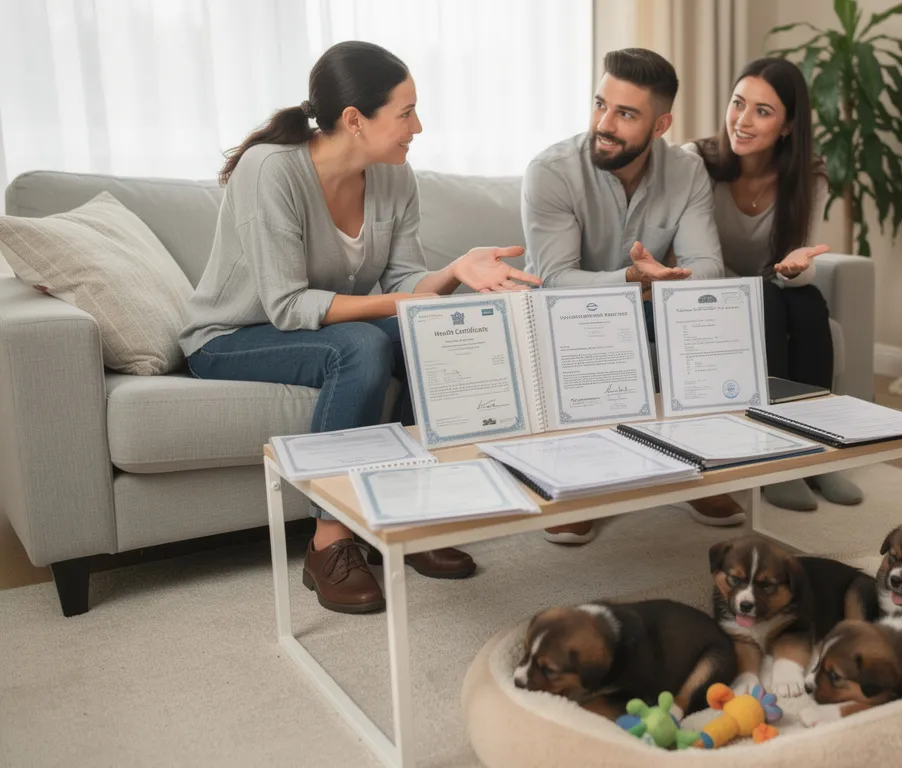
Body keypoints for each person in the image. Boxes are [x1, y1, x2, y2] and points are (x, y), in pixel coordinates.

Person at [179, 41, 541, 614]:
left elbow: (404, 283)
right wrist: (401, 306)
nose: (417, 126)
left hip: (309, 325)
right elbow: (287, 307)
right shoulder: (270, 170)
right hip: (231, 337)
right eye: (405, 112)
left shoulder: (395, 178)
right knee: (366, 346)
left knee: (430, 334)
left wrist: (454, 272)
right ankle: (329, 542)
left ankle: (411, 516)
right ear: (354, 120)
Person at [521, 47, 746, 545]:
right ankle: (577, 485)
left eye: (625, 114)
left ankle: (695, 465)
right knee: (591, 320)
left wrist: (666, 282)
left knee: (703, 315)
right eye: (601, 104)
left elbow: (707, 264)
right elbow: (555, 280)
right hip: (565, 313)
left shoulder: (686, 173)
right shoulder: (551, 171)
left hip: (650, 303)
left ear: (661, 124)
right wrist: (629, 281)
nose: (604, 122)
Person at [680, 57, 864, 512]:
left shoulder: (808, 175)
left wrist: (794, 268)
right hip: (709, 292)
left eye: (762, 111)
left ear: (786, 127)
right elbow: (692, 255)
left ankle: (819, 450)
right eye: (738, 103)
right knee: (768, 297)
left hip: (772, 290)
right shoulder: (695, 162)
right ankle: (774, 452)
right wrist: (765, 282)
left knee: (805, 299)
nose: (742, 121)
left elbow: (802, 259)